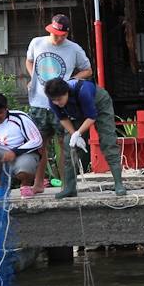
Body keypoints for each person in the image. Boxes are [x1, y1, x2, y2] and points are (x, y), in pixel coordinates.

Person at [26, 14, 93, 194]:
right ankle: (38, 183)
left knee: (65, 143)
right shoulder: (36, 43)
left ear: (67, 33)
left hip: (61, 103)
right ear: (50, 30)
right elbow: (29, 60)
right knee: (39, 144)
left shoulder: (74, 49)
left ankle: (67, 185)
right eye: (55, 34)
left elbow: (88, 70)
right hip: (39, 102)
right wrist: (32, 77)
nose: (58, 38)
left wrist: (71, 81)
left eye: (62, 35)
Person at [45, 78, 127, 197]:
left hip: (99, 104)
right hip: (77, 112)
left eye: (59, 99)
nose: (57, 102)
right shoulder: (53, 100)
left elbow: (91, 116)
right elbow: (63, 118)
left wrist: (79, 133)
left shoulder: (83, 91)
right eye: (54, 100)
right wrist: (74, 134)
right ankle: (70, 187)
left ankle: (119, 184)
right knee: (69, 145)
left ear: (66, 92)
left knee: (108, 141)